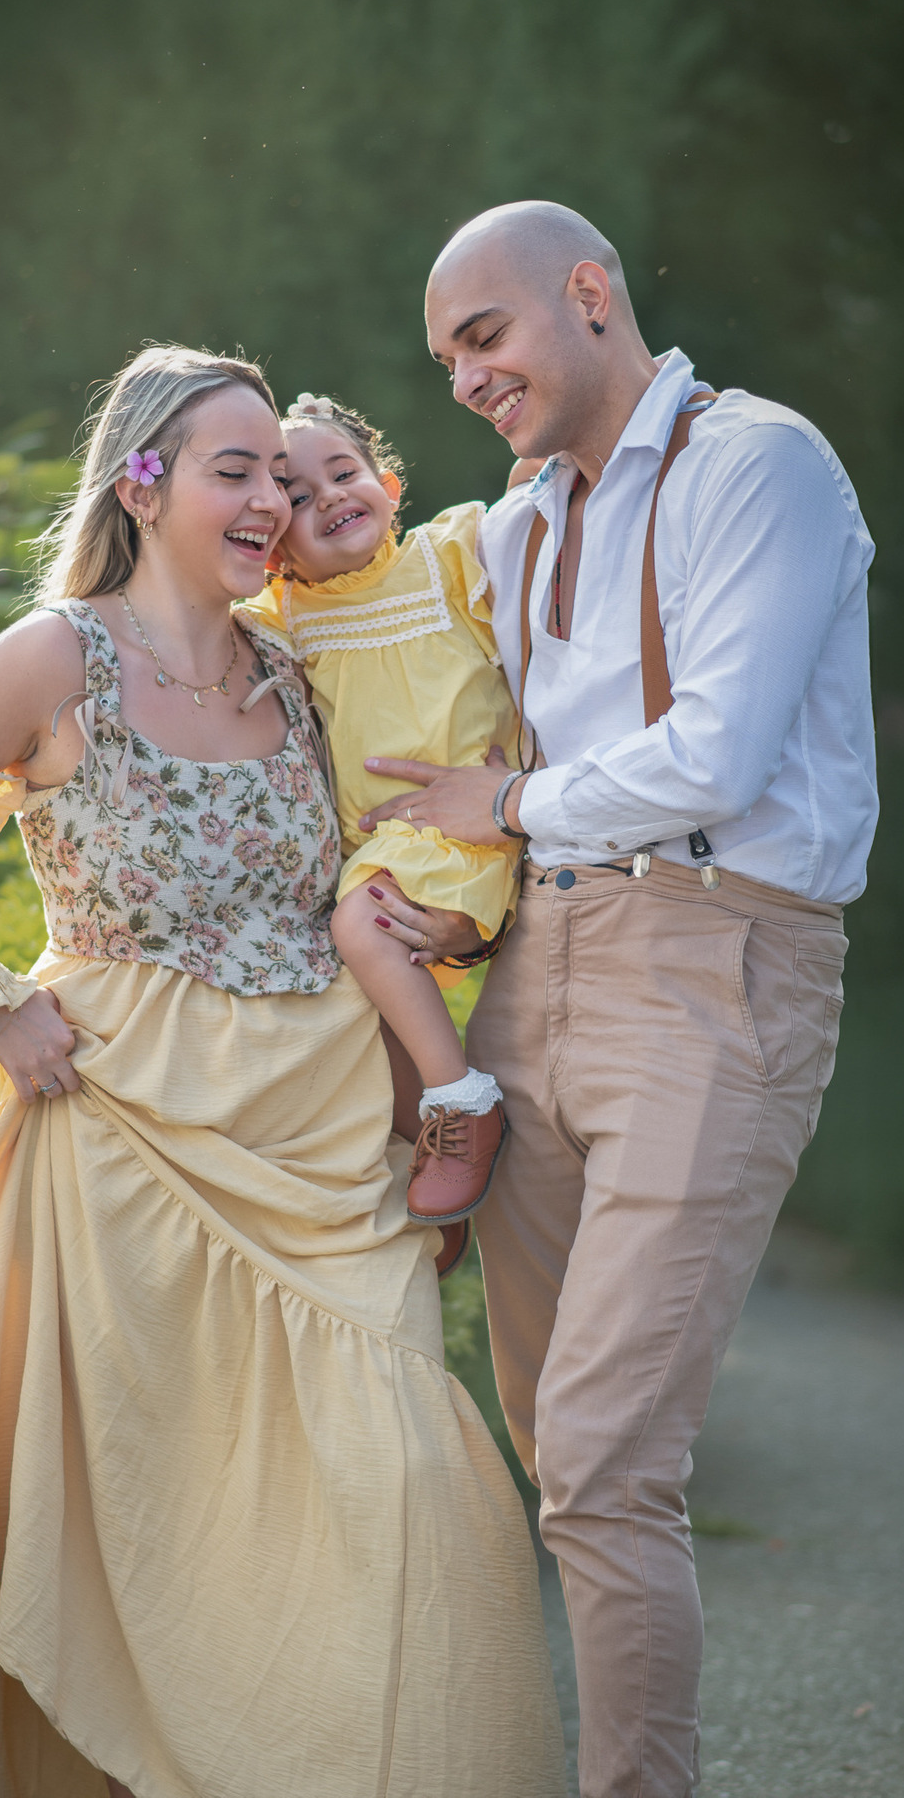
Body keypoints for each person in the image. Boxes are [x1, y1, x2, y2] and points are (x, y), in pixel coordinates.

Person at [0, 344, 564, 1798]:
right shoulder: (57, 657)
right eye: (234, 469)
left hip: (324, 1149)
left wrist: (421, 1106)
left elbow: (381, 886)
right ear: (140, 486)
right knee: (152, 1542)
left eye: (280, 471)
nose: (270, 498)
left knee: (402, 1488)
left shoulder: (299, 665)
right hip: (125, 1144)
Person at [360, 202, 877, 1798]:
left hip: (716, 963)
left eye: (485, 336)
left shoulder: (760, 465)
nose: (464, 378)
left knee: (601, 1451)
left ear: (589, 294)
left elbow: (717, 754)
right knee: (549, 1441)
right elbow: (395, 660)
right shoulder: (511, 526)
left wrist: (507, 807)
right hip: (533, 968)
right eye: (445, 359)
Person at [243, 391, 521, 1253]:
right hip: (382, 852)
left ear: (389, 487)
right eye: (297, 496)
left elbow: (538, 507)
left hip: (471, 825)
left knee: (357, 930)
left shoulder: (448, 558)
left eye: (344, 473)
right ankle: (429, 1174)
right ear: (275, 545)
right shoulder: (283, 619)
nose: (328, 496)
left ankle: (464, 1106)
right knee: (355, 1013)